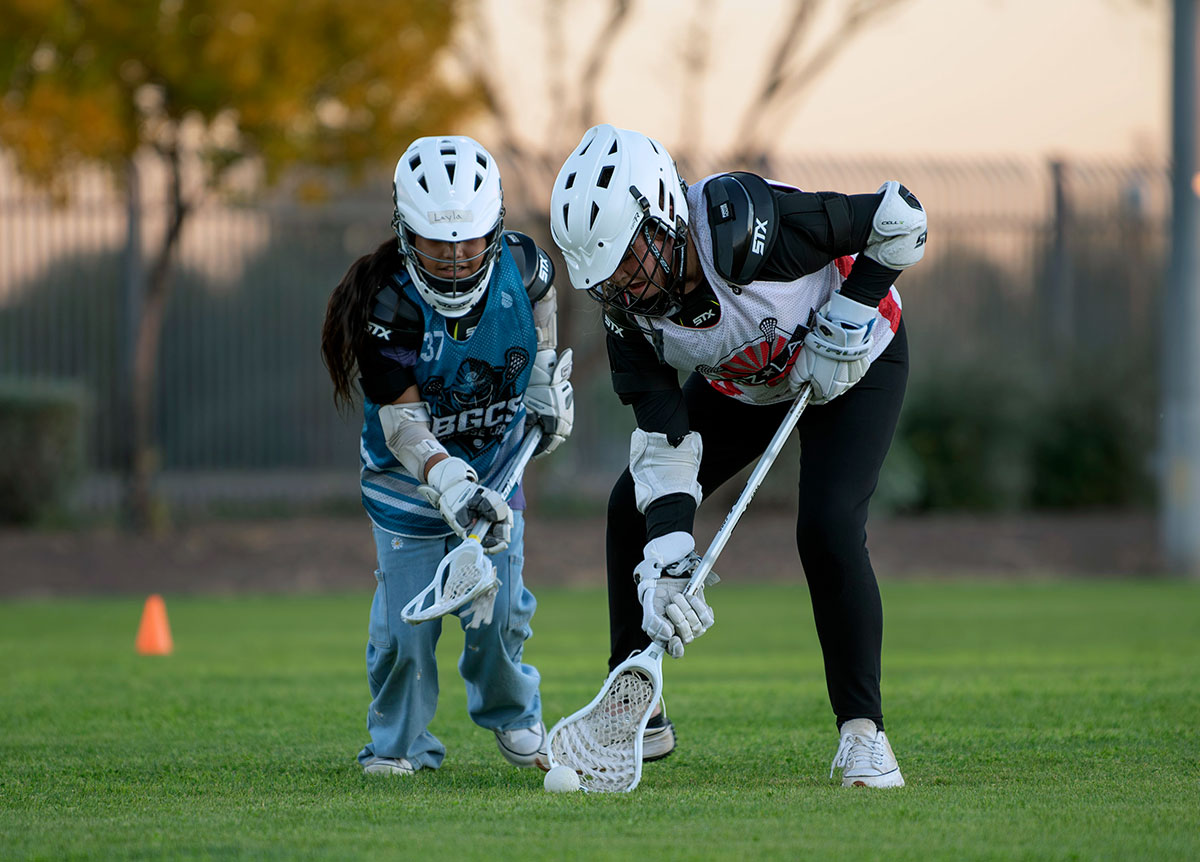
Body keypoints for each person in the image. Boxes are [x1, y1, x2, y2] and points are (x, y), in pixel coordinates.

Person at [548, 124, 925, 788]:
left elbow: (901, 219)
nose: (626, 290)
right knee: (631, 511)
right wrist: (667, 562)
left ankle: (864, 734)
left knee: (829, 527)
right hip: (748, 383)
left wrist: (848, 316)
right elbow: (666, 447)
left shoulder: (745, 227)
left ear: (662, 214)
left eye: (630, 262)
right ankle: (640, 709)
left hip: (856, 361)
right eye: (606, 279)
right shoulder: (629, 316)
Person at [321, 135, 573, 776]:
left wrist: (543, 370)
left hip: (495, 469)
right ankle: (399, 744)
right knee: (407, 633)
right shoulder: (392, 306)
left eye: (468, 238)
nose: (458, 258)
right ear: (407, 232)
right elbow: (403, 428)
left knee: (502, 615)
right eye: (438, 240)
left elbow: (543, 300)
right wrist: (450, 485)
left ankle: (515, 714)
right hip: (408, 486)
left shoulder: (527, 264)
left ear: (495, 225)